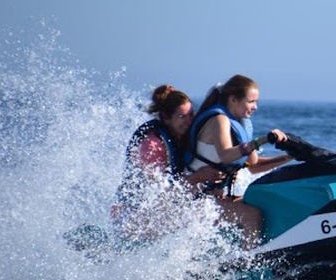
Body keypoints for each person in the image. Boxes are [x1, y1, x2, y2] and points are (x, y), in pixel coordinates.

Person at [188, 74, 292, 248]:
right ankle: (246, 265)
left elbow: (254, 166)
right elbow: (226, 155)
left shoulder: (241, 124)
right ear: (234, 100)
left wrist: (290, 157)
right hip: (196, 201)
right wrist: (261, 141)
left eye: (256, 102)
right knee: (252, 215)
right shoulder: (219, 120)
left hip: (217, 200)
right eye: (251, 102)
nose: (255, 107)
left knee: (263, 200)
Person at [111, 85, 223, 242]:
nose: (189, 121)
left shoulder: (181, 134)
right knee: (201, 212)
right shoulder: (151, 145)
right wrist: (198, 176)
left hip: (159, 212)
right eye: (182, 117)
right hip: (133, 219)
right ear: (165, 117)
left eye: (191, 115)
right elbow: (159, 195)